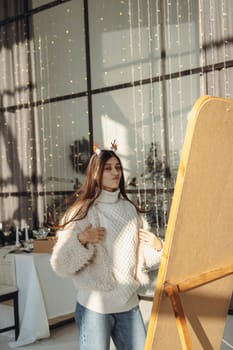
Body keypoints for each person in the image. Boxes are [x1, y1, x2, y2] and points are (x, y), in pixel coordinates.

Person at [50, 147, 163, 350]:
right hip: (94, 306)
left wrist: (158, 246)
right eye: (108, 168)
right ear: (96, 173)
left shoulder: (130, 210)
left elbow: (143, 258)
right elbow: (60, 264)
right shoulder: (81, 211)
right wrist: (81, 241)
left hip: (128, 303)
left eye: (118, 167)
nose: (115, 173)